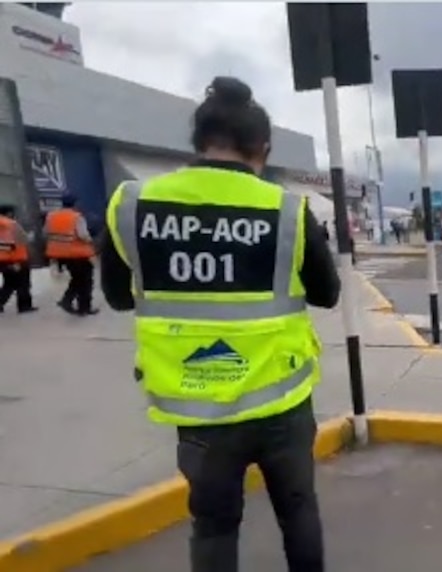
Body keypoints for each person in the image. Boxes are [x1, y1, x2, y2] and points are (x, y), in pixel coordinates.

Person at [98, 76, 340, 572]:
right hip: (282, 401)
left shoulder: (132, 203)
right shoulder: (287, 209)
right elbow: (327, 293)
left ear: (199, 141)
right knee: (297, 512)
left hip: (197, 405)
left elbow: (119, 298)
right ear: (263, 148)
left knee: (212, 526)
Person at [45, 194, 99, 315]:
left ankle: (67, 300)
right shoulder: (76, 217)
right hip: (78, 254)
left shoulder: (51, 216)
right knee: (86, 281)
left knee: (77, 279)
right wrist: (91, 240)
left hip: (61, 254)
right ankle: (83, 307)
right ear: (75, 203)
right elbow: (83, 235)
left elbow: (47, 232)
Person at [0, 205, 36, 314]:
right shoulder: (11, 224)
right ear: (9, 213)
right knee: (23, 283)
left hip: (2, 260)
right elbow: (23, 239)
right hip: (17, 259)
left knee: (9, 284)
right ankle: (24, 306)